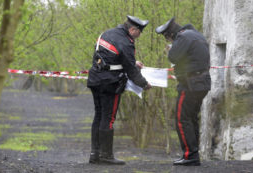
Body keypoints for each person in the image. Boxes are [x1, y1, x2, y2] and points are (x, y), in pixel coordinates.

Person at [87, 15, 152, 165]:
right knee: (108, 119)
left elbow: (106, 57)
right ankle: (106, 156)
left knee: (98, 116)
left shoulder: (107, 33)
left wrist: (133, 62)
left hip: (95, 79)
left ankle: (94, 154)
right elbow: (131, 70)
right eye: (139, 32)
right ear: (133, 29)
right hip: (110, 82)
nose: (139, 36)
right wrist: (144, 84)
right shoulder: (126, 42)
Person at [155, 17, 211, 166]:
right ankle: (193, 153)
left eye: (167, 38)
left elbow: (173, 57)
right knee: (192, 119)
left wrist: (172, 48)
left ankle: (190, 155)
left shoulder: (182, 37)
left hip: (190, 84)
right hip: (203, 83)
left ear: (170, 34)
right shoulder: (195, 34)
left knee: (181, 119)